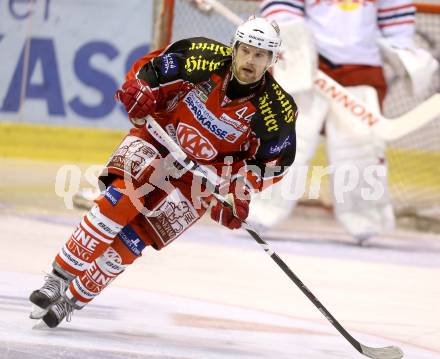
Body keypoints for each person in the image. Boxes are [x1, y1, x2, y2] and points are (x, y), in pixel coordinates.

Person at [29, 16, 298, 328]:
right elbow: (150, 71)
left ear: (272, 60)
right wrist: (141, 91)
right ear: (234, 47)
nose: (250, 60)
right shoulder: (202, 56)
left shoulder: (277, 111)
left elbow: (273, 163)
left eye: (260, 54)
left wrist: (238, 190)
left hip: (200, 177)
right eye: (246, 50)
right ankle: (57, 279)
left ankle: (72, 300)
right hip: (158, 140)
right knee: (119, 201)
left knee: (135, 239)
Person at [251, 0, 432, 242]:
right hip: (308, 61)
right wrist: (291, 37)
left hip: (361, 67)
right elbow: (283, 7)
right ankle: (258, 209)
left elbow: (396, 18)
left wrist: (402, 48)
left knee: (359, 147)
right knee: (289, 137)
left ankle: (366, 218)